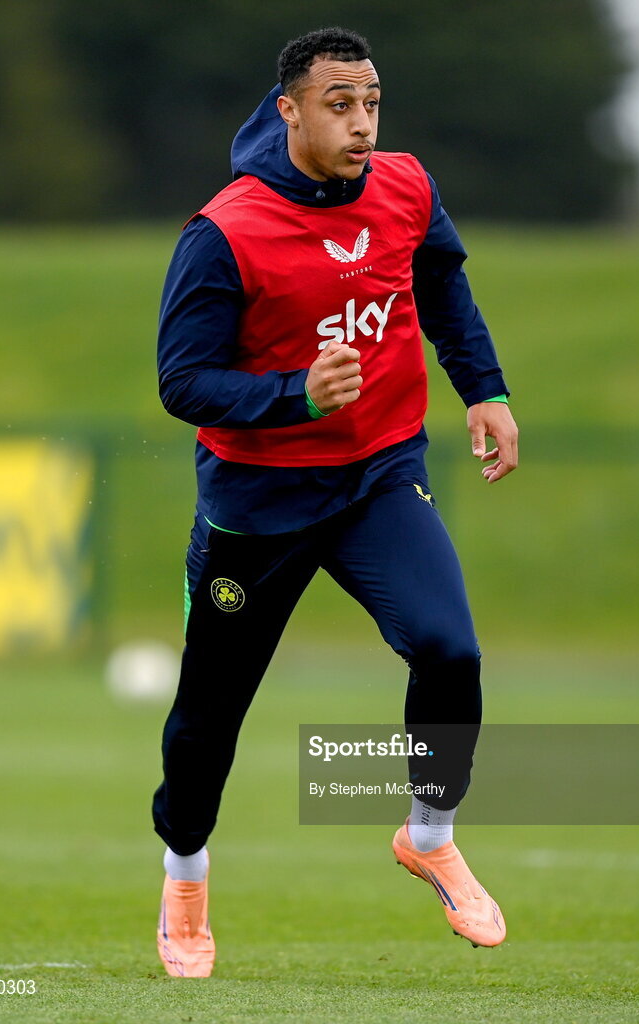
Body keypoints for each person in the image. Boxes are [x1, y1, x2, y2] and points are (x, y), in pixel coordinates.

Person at [152, 26, 518, 978]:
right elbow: (181, 382)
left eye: (372, 103)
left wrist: (486, 387)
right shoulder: (224, 232)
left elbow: (442, 283)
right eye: (339, 105)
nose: (362, 125)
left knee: (451, 650)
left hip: (377, 479)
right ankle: (185, 873)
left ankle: (429, 833)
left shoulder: (406, 187)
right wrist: (292, 396)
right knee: (208, 718)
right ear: (290, 112)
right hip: (257, 504)